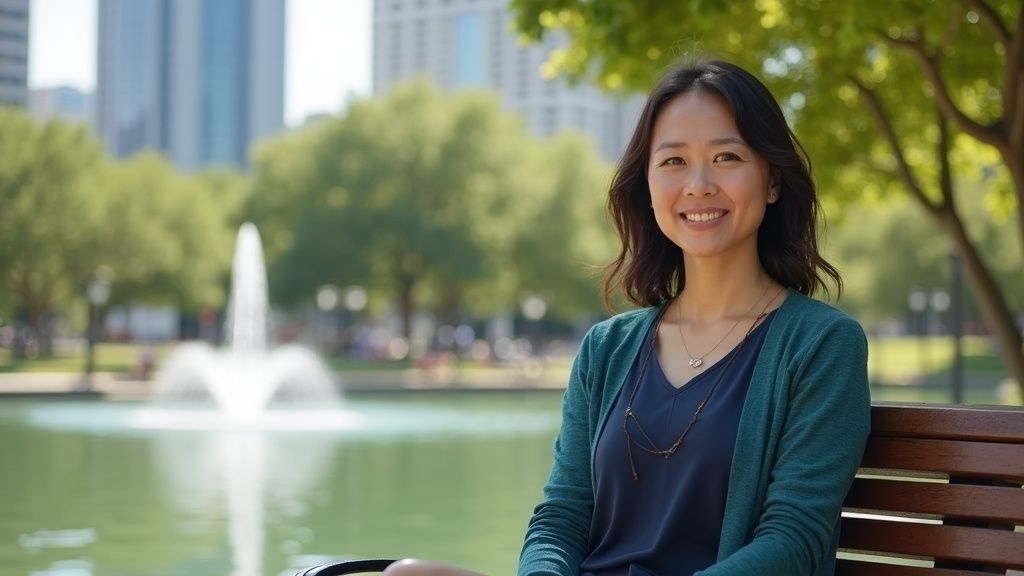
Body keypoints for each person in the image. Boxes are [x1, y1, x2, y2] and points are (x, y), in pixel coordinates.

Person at [383, 59, 870, 576]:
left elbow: (794, 539)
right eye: (673, 161)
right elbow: (561, 518)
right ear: (648, 185)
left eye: (727, 157)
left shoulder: (822, 344)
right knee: (406, 574)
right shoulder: (606, 348)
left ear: (772, 180)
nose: (698, 184)